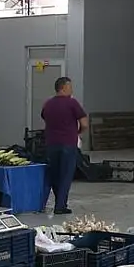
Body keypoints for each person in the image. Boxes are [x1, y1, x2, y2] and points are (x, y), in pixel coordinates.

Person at [41, 77, 87, 215]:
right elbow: (84, 123)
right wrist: (78, 132)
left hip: (51, 144)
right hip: (68, 144)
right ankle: (60, 205)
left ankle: (57, 201)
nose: (71, 89)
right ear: (63, 88)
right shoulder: (72, 103)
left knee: (54, 174)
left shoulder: (48, 104)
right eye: (70, 86)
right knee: (66, 175)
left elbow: (44, 117)